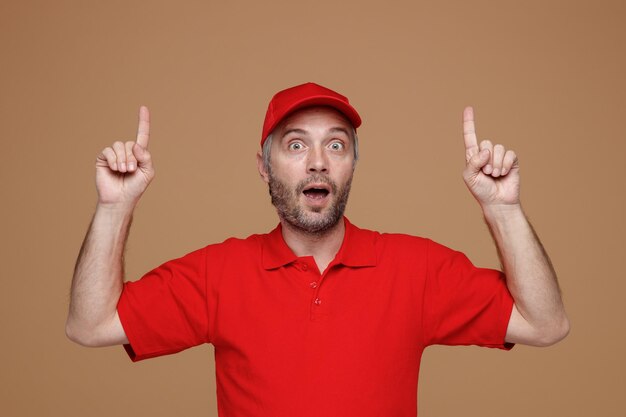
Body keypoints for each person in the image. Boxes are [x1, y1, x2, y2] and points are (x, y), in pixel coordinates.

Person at [66, 82, 569, 417]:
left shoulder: (416, 269)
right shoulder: (217, 273)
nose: (317, 163)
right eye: (294, 144)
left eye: (335, 144)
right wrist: (115, 207)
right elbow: (91, 325)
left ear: (351, 163)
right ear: (264, 166)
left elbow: (544, 324)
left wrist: (503, 209)